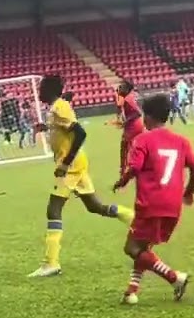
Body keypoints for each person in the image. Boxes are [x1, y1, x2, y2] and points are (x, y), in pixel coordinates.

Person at [28, 74, 133, 278]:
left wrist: (66, 163)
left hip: (71, 164)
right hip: (76, 162)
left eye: (41, 88)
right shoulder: (56, 108)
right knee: (95, 207)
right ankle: (136, 220)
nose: (39, 92)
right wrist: (46, 128)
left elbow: (81, 133)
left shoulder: (60, 106)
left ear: (49, 91)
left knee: (53, 209)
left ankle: (51, 263)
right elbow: (64, 129)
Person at [112, 94, 194, 305]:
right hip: (173, 205)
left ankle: (175, 278)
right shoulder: (181, 141)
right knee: (143, 249)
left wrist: (122, 181)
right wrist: (189, 191)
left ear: (148, 117)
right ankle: (131, 292)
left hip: (150, 204)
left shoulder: (142, 139)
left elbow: (134, 167)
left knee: (132, 249)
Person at [117, 80, 144, 173]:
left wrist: (126, 121)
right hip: (133, 125)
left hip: (134, 125)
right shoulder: (127, 97)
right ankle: (130, 166)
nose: (119, 88)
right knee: (130, 146)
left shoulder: (128, 99)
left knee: (125, 145)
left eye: (121, 87)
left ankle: (124, 168)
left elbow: (138, 112)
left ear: (127, 89)